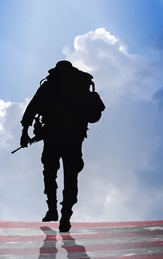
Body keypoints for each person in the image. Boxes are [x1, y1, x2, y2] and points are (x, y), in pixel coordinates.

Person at [20, 60, 104, 232]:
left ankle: (53, 210)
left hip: (53, 136)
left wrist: (25, 131)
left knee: (50, 173)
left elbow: (33, 107)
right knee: (70, 176)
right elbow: (93, 112)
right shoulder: (80, 85)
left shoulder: (50, 85)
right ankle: (65, 216)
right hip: (74, 137)